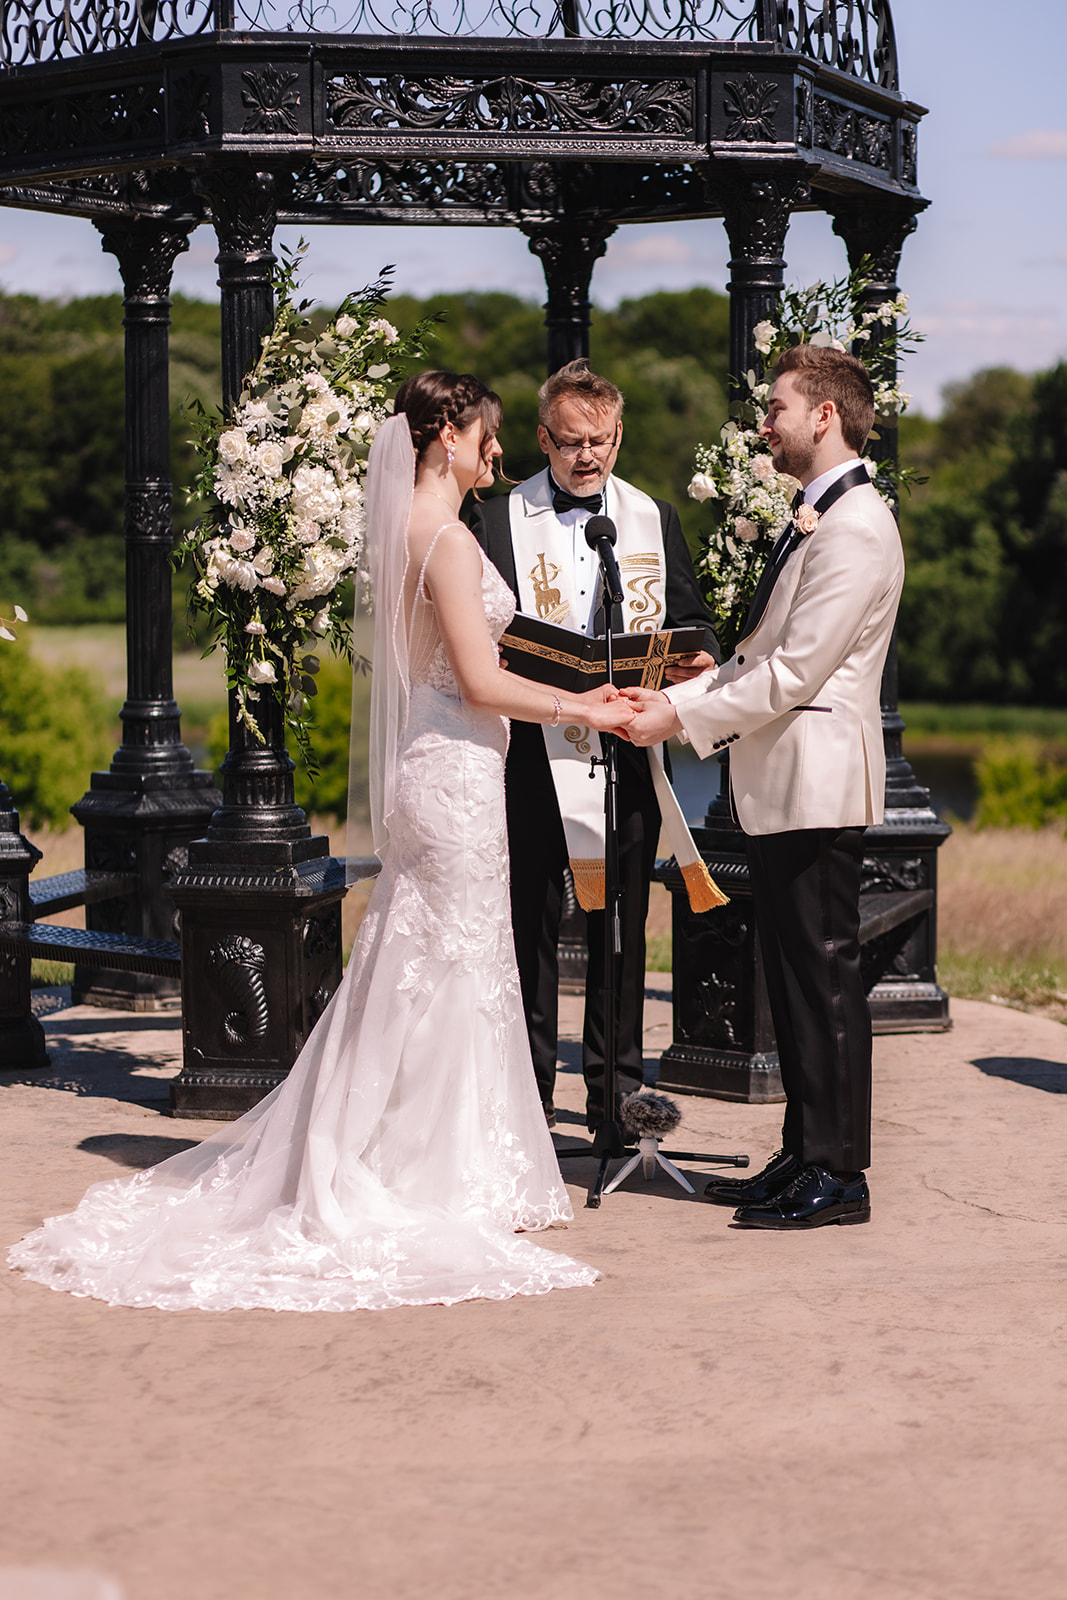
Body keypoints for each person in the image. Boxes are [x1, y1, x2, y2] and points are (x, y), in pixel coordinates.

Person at [9, 372, 636, 1311]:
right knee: (454, 963)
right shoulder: (453, 543)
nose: (493, 453)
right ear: (443, 440)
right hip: (460, 771)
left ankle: (416, 1147)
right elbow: (477, 680)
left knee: (427, 959)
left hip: (441, 770)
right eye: (483, 436)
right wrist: (581, 702)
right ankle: (437, 1166)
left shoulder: (405, 531)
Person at [622, 344, 904, 1230]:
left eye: (776, 407)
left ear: (823, 415)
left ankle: (839, 1176)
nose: (765, 422)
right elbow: (753, 659)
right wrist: (668, 695)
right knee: (791, 985)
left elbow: (793, 673)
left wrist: (676, 723)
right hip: (786, 783)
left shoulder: (856, 525)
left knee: (821, 984)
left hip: (816, 785)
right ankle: (802, 1153)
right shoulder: (818, 515)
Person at [468, 360, 719, 1131]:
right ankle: (527, 1098)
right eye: (572, 442)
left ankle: (615, 1097)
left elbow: (690, 617)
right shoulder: (494, 517)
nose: (588, 458)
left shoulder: (650, 517)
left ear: (619, 435)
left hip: (626, 752)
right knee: (529, 925)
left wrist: (694, 661)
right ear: (542, 437)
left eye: (602, 442)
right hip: (531, 754)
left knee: (620, 926)